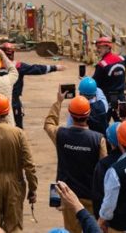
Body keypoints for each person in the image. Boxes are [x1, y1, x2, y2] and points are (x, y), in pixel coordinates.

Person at [43, 91, 107, 233]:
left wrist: (58, 102)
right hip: (90, 195)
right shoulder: (98, 139)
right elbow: (103, 168)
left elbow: (48, 124)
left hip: (68, 195)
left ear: (70, 115)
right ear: (88, 114)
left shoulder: (61, 134)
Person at [0, 95, 37, 232]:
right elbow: (29, 164)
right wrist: (33, 188)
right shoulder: (18, 133)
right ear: (7, 111)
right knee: (14, 225)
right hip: (14, 183)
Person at [0, 42, 65, 130]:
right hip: (14, 101)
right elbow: (36, 69)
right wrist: (54, 67)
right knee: (18, 127)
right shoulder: (18, 66)